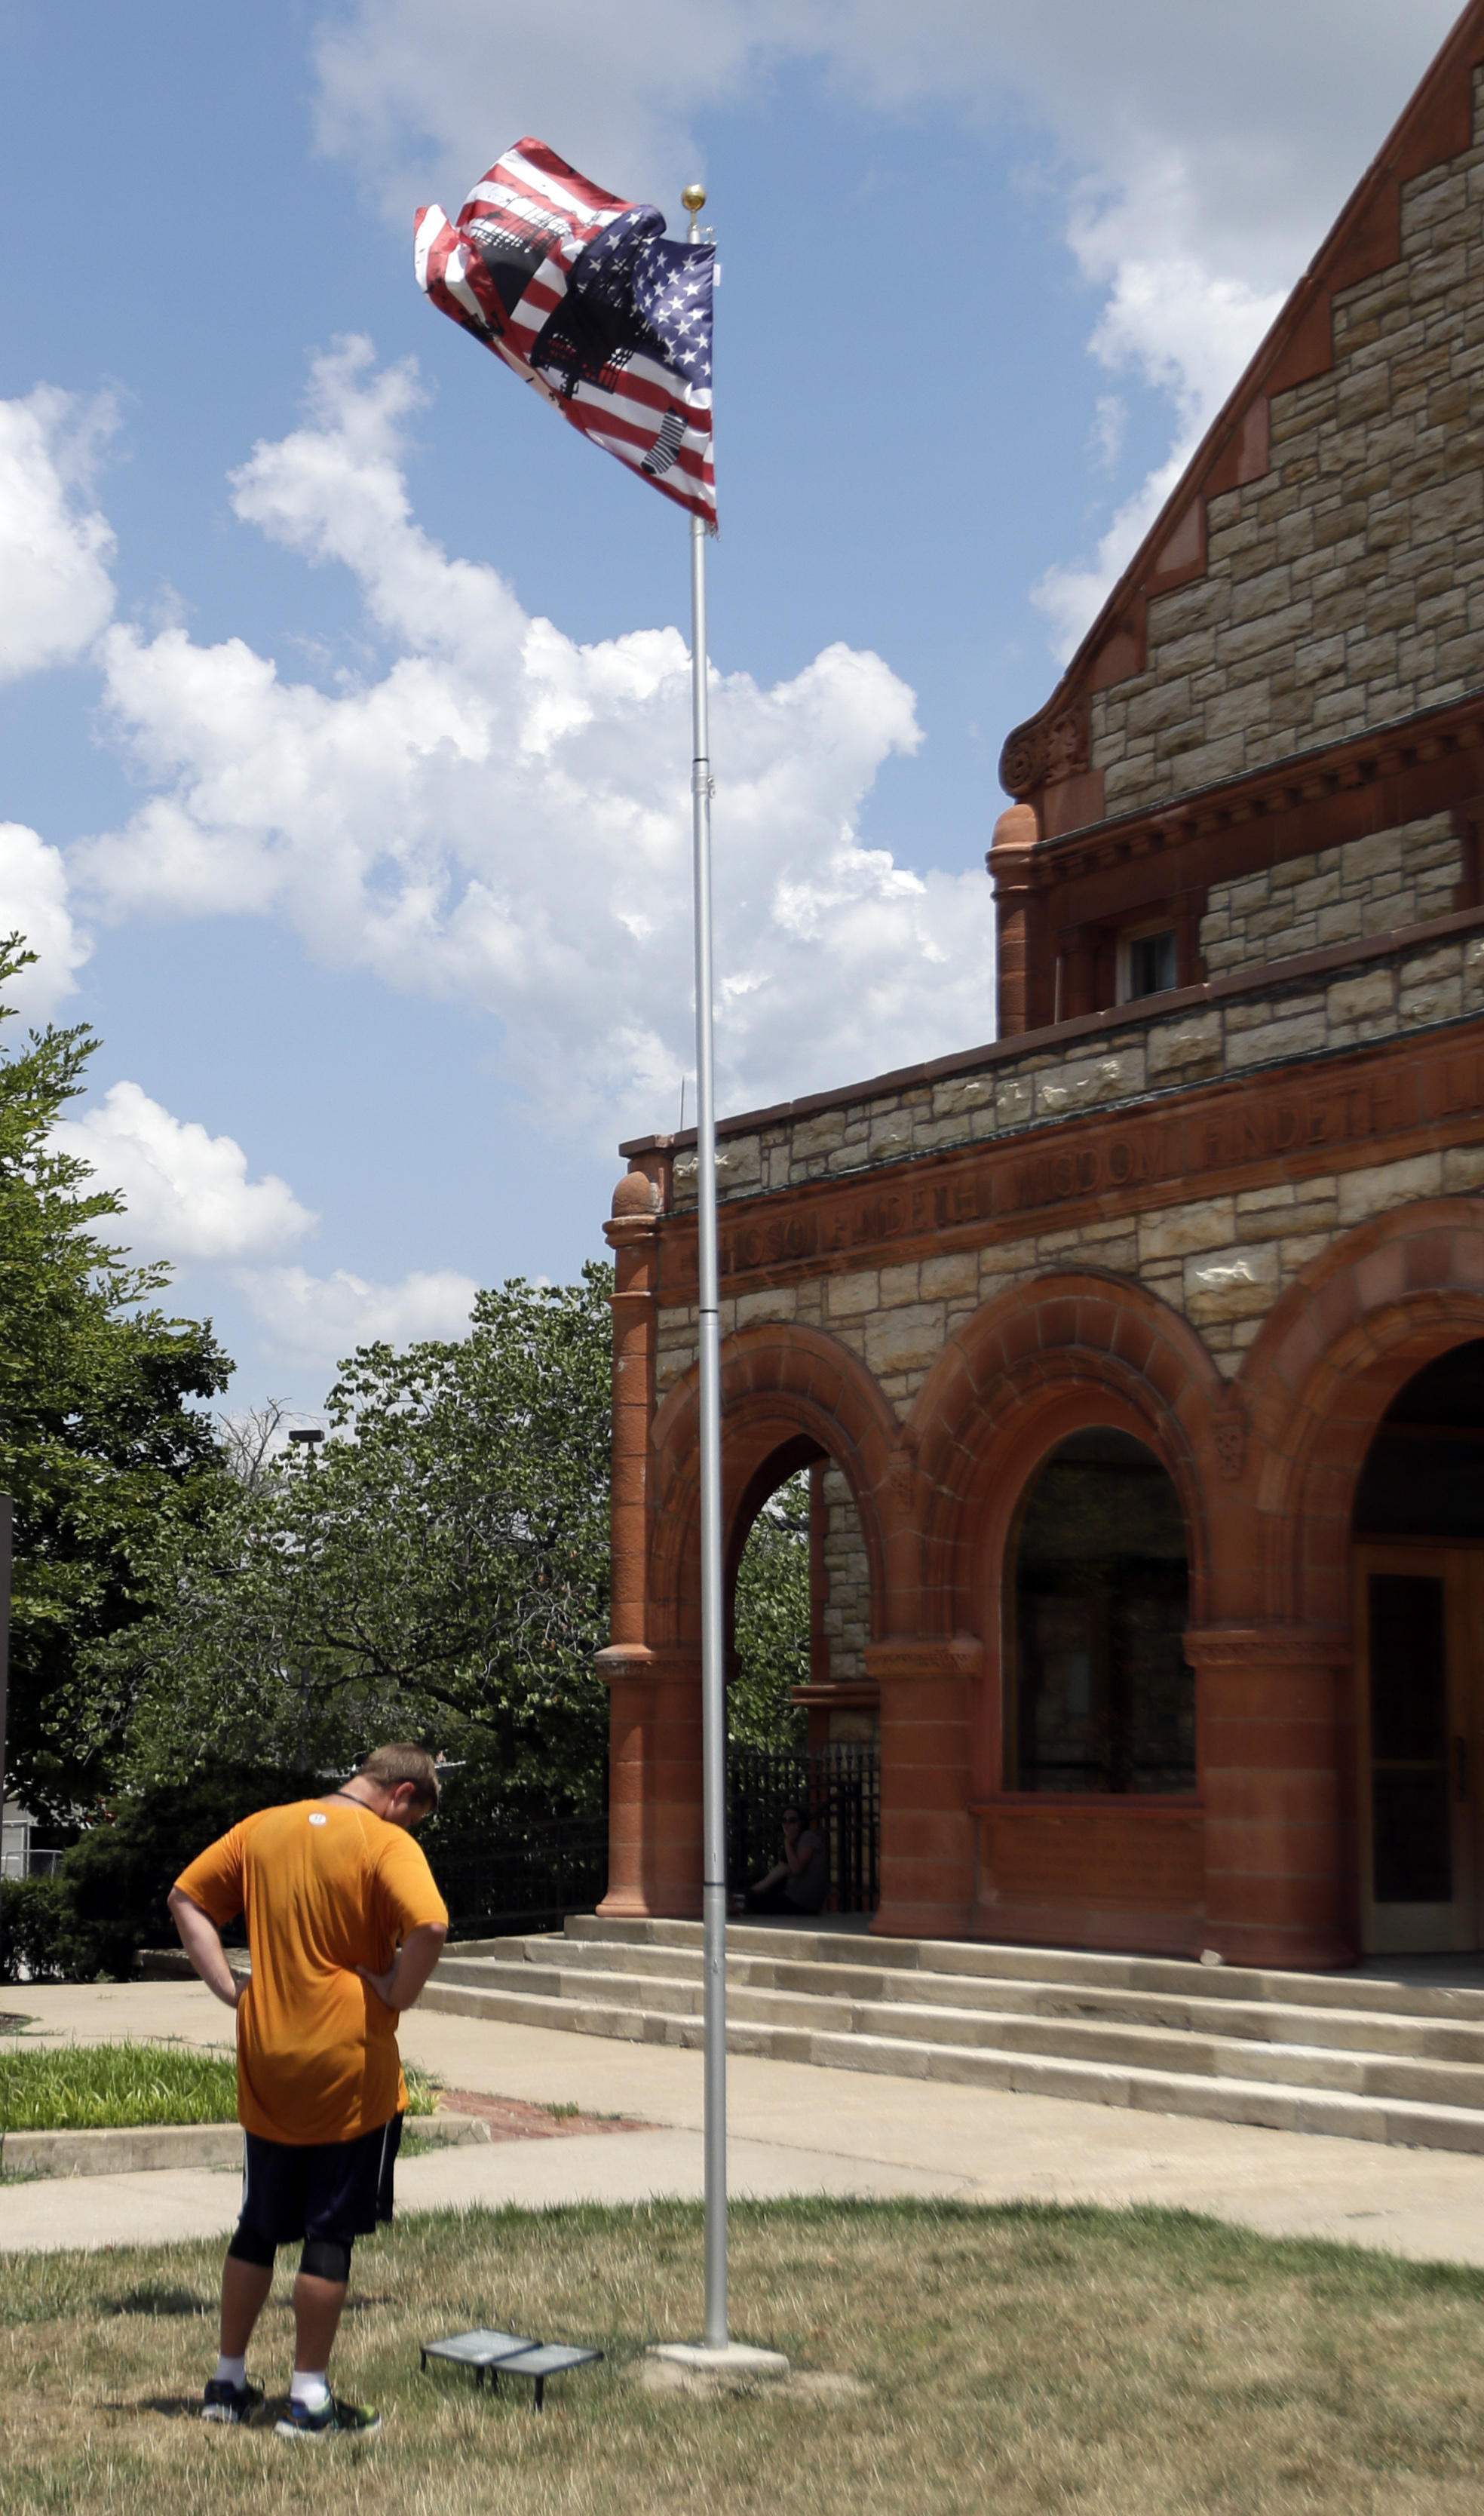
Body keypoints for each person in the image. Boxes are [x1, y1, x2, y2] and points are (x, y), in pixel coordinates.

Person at [167, 1742, 449, 2441]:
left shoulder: (262, 1828)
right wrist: (397, 1991)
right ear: (402, 1794)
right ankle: (309, 2401)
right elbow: (431, 1924)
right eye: (413, 1816)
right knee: (330, 2232)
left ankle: (226, 2384)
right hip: (349, 2066)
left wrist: (230, 1988)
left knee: (258, 2224)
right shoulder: (384, 1841)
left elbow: (185, 1899)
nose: (407, 1828)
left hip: (268, 2056)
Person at [740, 1804, 829, 1916]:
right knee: (759, 1877)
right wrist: (751, 1892)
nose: (787, 1824)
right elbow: (778, 1873)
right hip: (792, 1896)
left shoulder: (807, 1837)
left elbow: (797, 1869)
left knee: (754, 1902)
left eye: (792, 1820)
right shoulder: (794, 1842)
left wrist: (787, 1842)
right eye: (784, 1820)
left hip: (802, 1903)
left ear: (801, 1823)